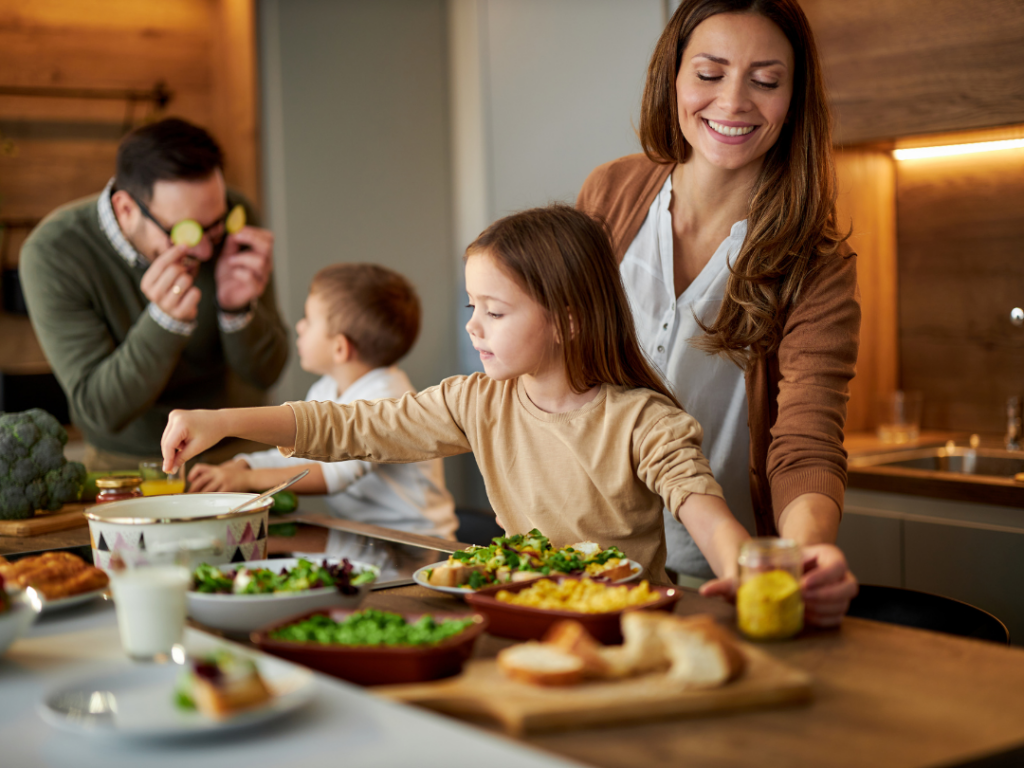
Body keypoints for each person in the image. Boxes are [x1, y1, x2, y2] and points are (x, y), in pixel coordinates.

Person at [160, 205, 753, 584]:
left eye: (494, 311)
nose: (473, 326)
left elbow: (702, 509)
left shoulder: (643, 422)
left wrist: (743, 574)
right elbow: (349, 428)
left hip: (620, 624)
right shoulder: (476, 402)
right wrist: (221, 420)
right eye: (474, 307)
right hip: (520, 608)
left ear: (568, 321)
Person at [576, 0, 858, 625]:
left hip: (716, 577)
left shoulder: (816, 261)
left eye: (765, 80)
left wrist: (804, 556)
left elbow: (806, 442)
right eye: (709, 74)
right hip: (581, 561)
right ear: (672, 78)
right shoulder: (610, 196)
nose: (733, 103)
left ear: (794, 97)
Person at [19, 118, 288, 470]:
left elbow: (267, 373)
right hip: (131, 466)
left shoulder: (229, 214)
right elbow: (101, 410)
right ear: (126, 210)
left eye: (215, 227)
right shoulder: (53, 252)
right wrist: (164, 322)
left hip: (237, 457)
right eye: (187, 231)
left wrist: (237, 311)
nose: (207, 250)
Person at [186, 263, 457, 547]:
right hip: (366, 538)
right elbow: (302, 452)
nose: (299, 326)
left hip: (417, 543)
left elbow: (333, 475)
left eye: (309, 320)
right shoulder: (327, 388)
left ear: (340, 348)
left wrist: (247, 481)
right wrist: (244, 464)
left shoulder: (386, 398)